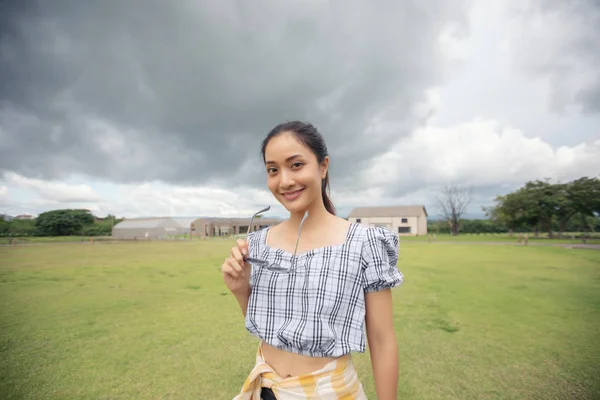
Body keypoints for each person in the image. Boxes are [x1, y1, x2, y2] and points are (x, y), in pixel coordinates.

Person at [221, 121, 403, 399]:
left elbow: (382, 339)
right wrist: (240, 289)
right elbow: (271, 327)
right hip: (266, 390)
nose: (284, 181)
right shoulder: (256, 244)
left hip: (330, 392)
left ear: (323, 166)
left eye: (296, 165)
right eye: (273, 170)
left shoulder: (364, 242)